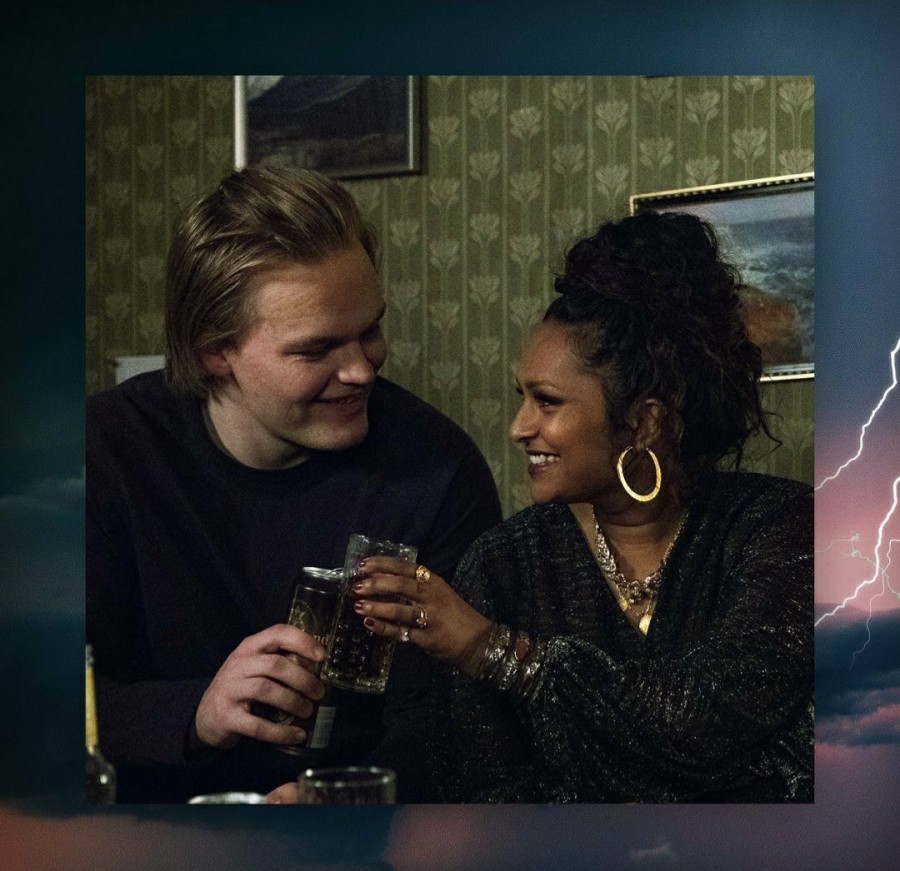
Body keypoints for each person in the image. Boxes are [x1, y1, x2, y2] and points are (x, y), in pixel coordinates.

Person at [350, 210, 814, 803]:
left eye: (547, 402)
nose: (519, 427)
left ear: (644, 421)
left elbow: (709, 724)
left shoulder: (780, 532)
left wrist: (493, 652)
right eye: (522, 397)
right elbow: (486, 790)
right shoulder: (501, 565)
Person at [85, 165, 502, 803]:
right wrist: (196, 712)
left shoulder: (439, 469)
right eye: (316, 349)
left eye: (371, 331)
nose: (361, 370)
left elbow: (453, 723)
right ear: (214, 352)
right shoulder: (104, 451)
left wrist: (339, 801)